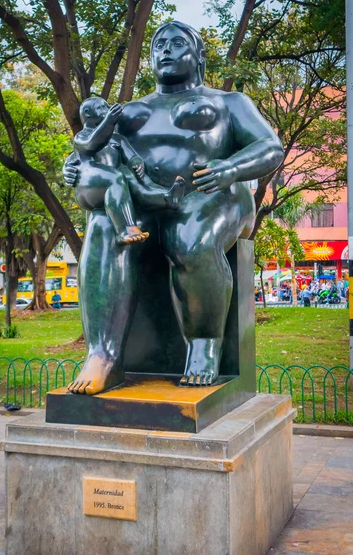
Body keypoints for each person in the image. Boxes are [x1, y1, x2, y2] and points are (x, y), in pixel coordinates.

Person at [63, 21, 283, 395]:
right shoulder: (129, 111)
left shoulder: (227, 102)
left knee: (190, 239)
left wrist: (229, 168)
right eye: (158, 44)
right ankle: (103, 355)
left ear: (198, 56)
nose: (165, 49)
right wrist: (76, 165)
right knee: (103, 226)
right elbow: (99, 150)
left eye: (177, 42)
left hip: (213, 191)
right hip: (148, 197)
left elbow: (270, 147)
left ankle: (203, 343)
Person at [71, 96, 186, 245]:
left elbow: (132, 156)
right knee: (115, 177)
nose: (107, 110)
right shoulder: (83, 136)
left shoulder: (117, 139)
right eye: (101, 108)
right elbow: (92, 144)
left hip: (116, 180)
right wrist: (109, 122)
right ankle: (126, 229)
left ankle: (165, 197)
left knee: (131, 176)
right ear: (87, 113)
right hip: (90, 185)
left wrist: (137, 164)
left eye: (107, 106)